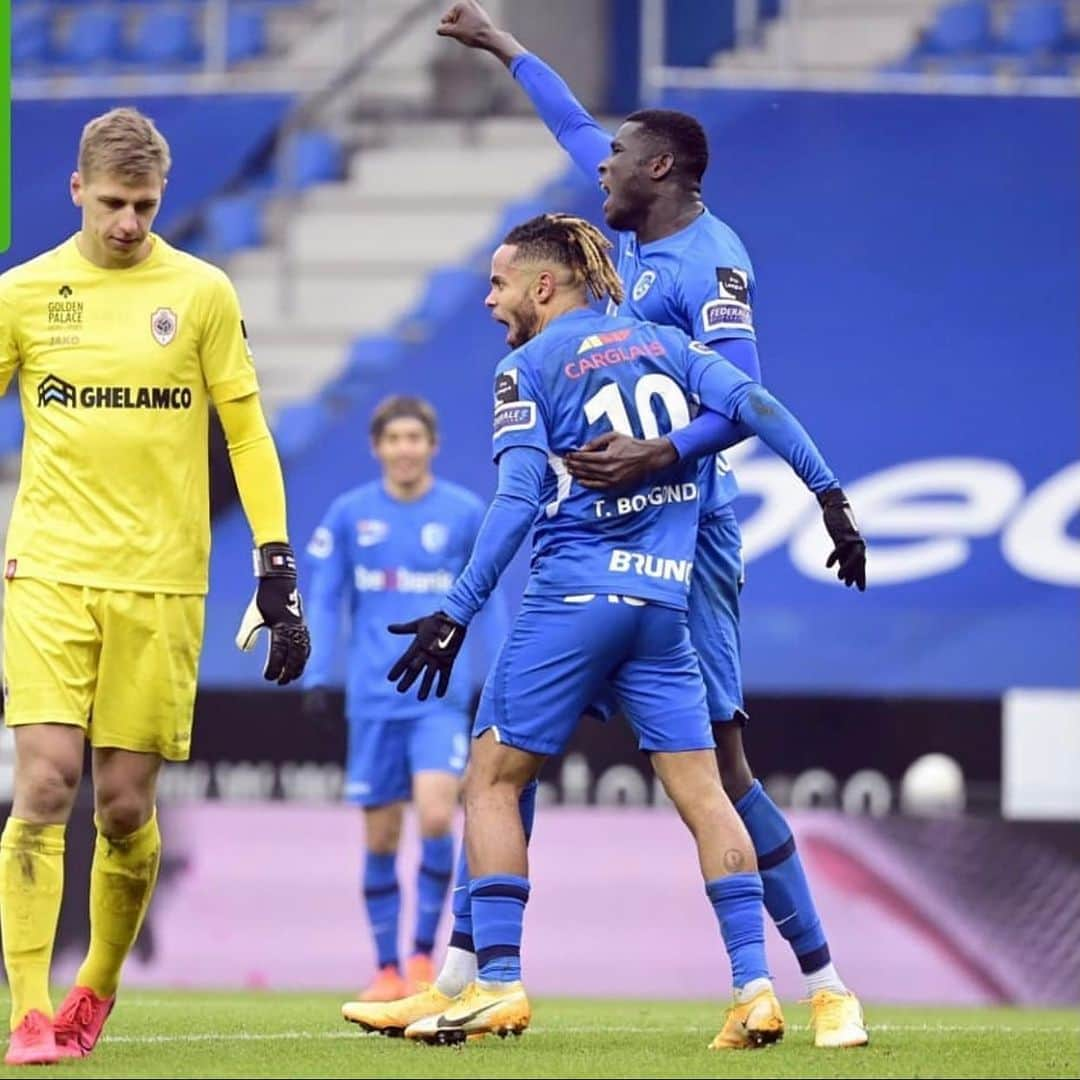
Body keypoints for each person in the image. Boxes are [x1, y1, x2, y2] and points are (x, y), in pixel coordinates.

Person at [431, 1, 871, 1050]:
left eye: (619, 159)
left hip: (685, 528)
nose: (599, 168)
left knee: (720, 766)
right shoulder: (628, 223)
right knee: (508, 745)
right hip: (598, 527)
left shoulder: (708, 266)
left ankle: (824, 980)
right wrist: (504, 46)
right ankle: (460, 974)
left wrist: (658, 453)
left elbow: (746, 397)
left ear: (661, 168)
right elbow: (573, 126)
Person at [0, 106, 310, 1066]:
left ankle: (95, 986)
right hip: (50, 569)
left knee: (124, 806)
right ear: (76, 192)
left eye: (142, 205)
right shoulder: (22, 293)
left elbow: (248, 434)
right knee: (45, 780)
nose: (127, 223)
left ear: (161, 197)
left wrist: (276, 564)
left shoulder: (203, 293)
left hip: (165, 583)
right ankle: (26, 1010)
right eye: (111, 204)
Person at [303, 395, 505, 1001]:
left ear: (432, 445)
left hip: (438, 697)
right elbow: (326, 594)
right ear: (378, 448)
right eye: (394, 439)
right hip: (371, 698)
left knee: (440, 814)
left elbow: (489, 599)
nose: (405, 449)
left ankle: (423, 957)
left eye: (415, 438)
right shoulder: (348, 515)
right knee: (381, 838)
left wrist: (494, 678)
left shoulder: (465, 514)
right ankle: (386, 967)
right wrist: (317, 674)